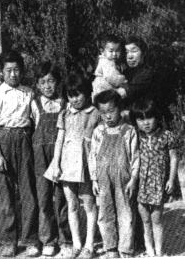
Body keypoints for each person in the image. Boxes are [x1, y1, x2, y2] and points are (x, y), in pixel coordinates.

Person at [0, 50, 39, 257]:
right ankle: (8, 240)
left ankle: (30, 238)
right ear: (2, 72)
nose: (13, 74)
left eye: (17, 70)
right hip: (3, 139)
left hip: (25, 139)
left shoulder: (29, 92)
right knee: (5, 194)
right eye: (9, 70)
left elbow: (37, 117)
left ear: (22, 71)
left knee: (28, 191)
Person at [45, 73, 99, 259]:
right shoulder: (65, 114)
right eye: (71, 95)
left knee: (89, 204)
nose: (75, 99)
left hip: (86, 164)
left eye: (79, 94)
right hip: (68, 164)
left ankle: (89, 245)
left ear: (87, 93)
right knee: (72, 205)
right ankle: (76, 243)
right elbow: (59, 140)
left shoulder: (95, 113)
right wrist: (56, 165)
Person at [89, 90, 139, 258]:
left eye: (111, 111)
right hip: (103, 180)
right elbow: (93, 157)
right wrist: (94, 179)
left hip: (123, 180)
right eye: (103, 113)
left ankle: (125, 249)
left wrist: (133, 179)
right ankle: (110, 247)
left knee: (125, 213)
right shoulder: (98, 132)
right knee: (105, 212)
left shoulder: (128, 131)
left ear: (120, 109)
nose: (108, 116)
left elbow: (135, 157)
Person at [30, 61, 71, 257]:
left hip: (61, 154)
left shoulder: (66, 104)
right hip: (40, 155)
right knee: (43, 197)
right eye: (43, 82)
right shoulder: (34, 104)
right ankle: (47, 239)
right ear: (37, 85)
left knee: (61, 198)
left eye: (51, 81)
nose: (47, 86)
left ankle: (65, 238)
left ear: (58, 82)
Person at [130, 98, 179, 257]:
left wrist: (171, 179)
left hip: (158, 184)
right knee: (144, 220)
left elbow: (173, 158)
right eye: (140, 119)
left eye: (149, 117)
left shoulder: (166, 135)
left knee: (156, 220)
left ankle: (159, 251)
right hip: (141, 185)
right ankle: (149, 249)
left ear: (156, 117)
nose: (145, 123)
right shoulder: (136, 136)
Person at [92, 34, 127, 99]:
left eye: (117, 51)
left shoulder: (109, 61)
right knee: (123, 92)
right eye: (111, 51)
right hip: (103, 89)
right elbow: (111, 77)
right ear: (102, 51)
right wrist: (123, 81)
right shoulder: (106, 63)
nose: (114, 54)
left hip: (104, 88)